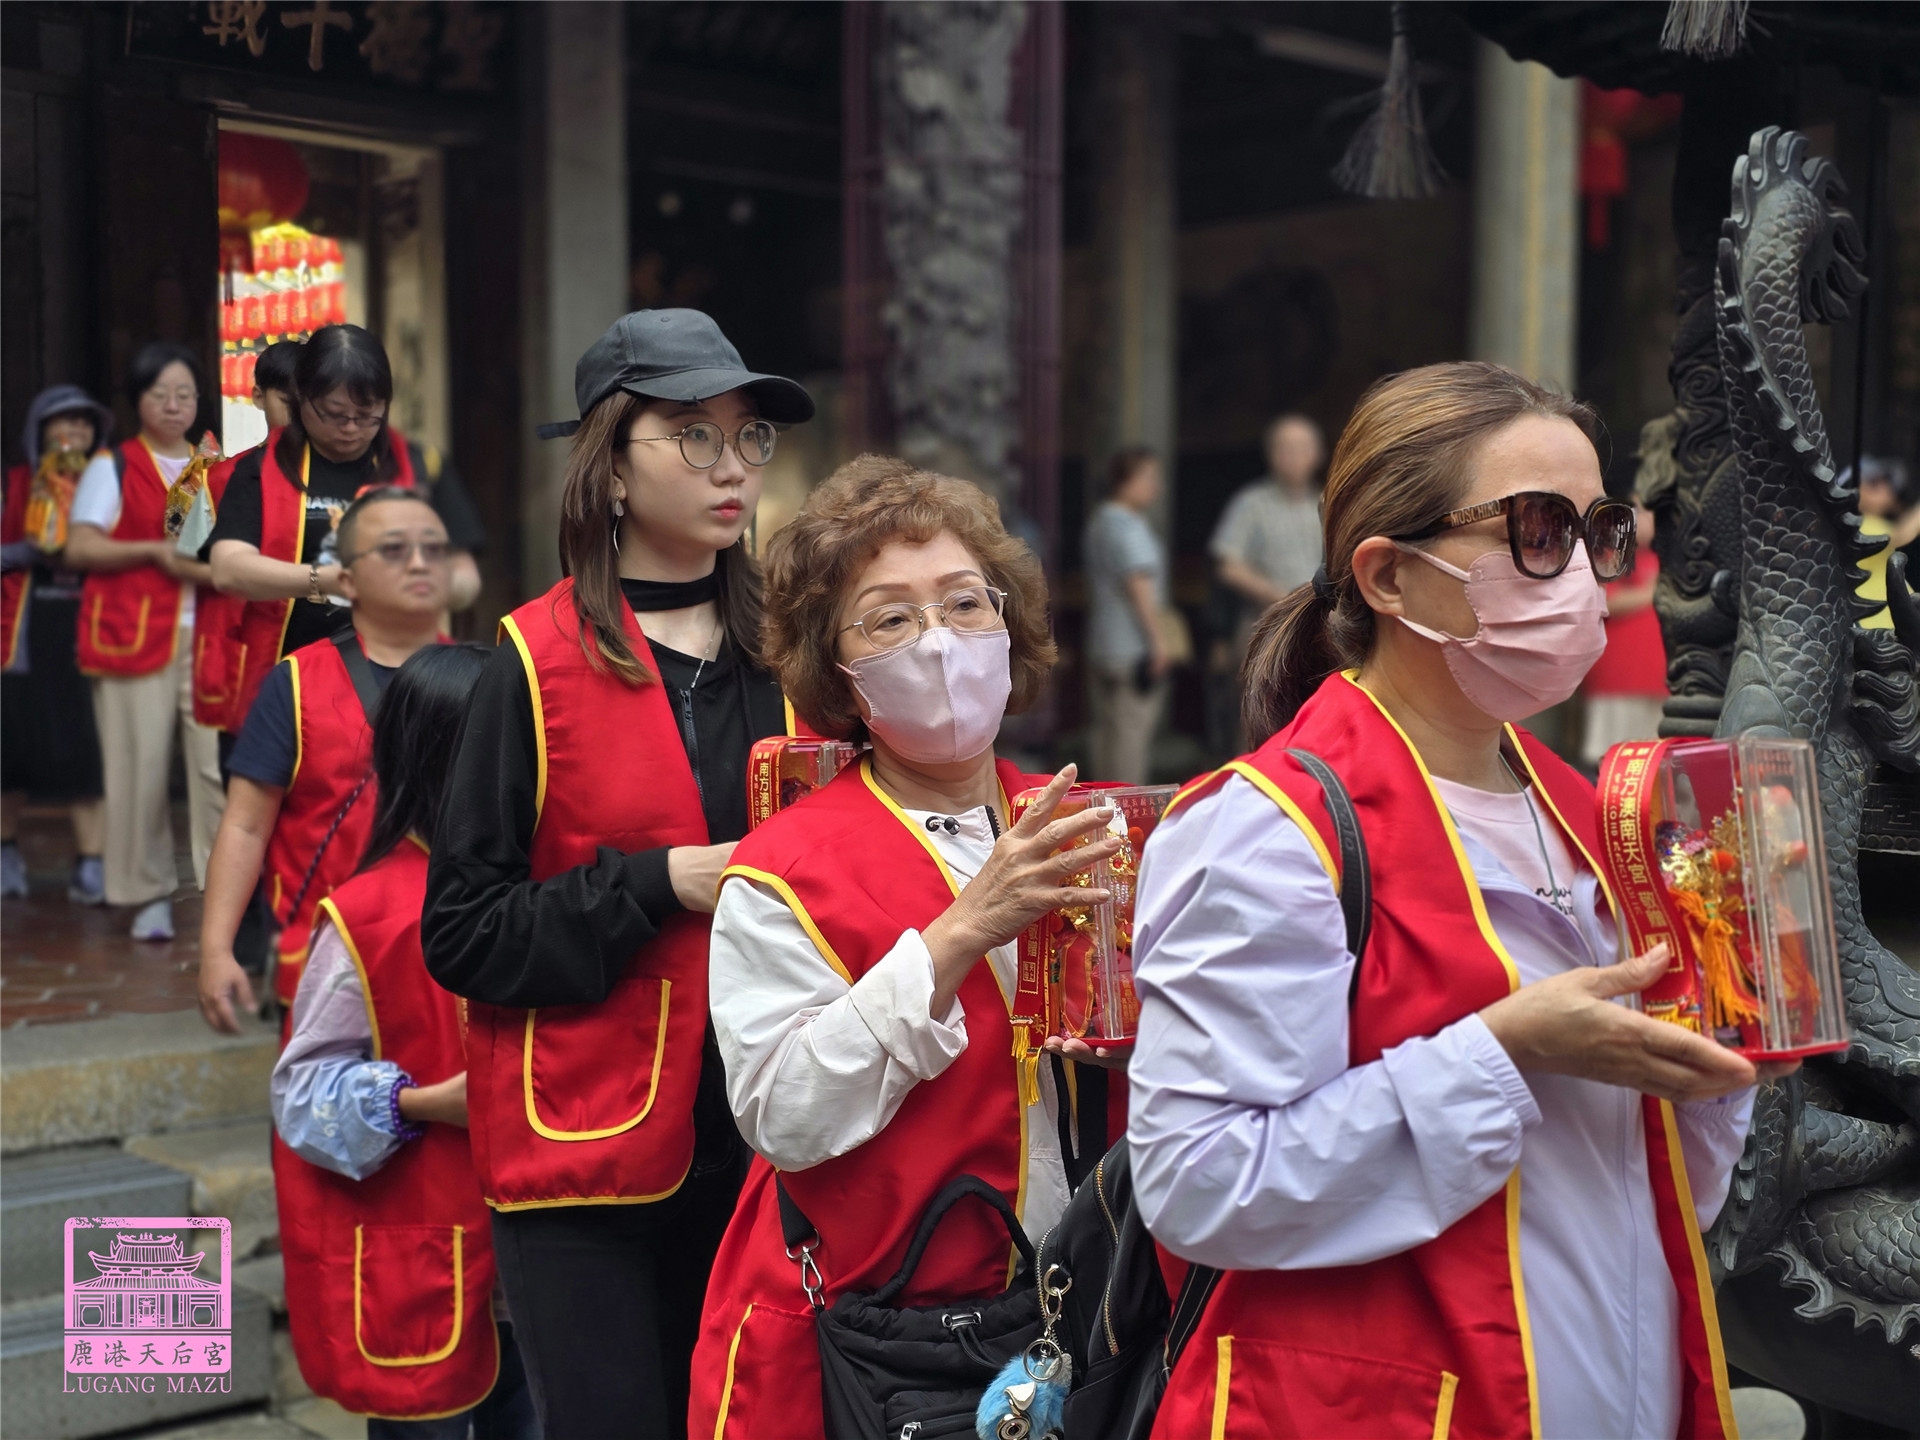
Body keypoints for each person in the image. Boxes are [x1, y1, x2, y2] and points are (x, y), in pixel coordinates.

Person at [1126, 363, 1791, 1440]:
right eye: (1537, 530)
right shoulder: (1269, 828)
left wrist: (1725, 1049)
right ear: (1389, 576)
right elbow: (1200, 1183)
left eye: (1598, 532)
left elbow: (1649, 1184)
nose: (1580, 575)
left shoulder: (1598, 816)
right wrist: (1504, 1051)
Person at [422, 309, 812, 1440]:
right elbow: (464, 929)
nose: (733, 465)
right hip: (582, 1150)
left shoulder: (792, 654)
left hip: (768, 1140)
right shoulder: (530, 659)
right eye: (695, 436)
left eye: (748, 437)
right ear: (612, 469)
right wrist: (657, 883)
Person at [688, 456, 1124, 1439]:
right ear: (835, 667)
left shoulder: (1087, 824)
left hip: (1064, 1319)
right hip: (871, 1337)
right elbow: (781, 1112)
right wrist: (964, 931)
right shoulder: (781, 869)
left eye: (966, 603)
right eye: (889, 619)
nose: (939, 641)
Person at [271, 643, 537, 1440]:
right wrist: (425, 1103)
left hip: (544, 1260)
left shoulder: (556, 887)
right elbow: (300, 1097)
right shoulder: (367, 915)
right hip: (427, 1265)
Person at [196, 487, 454, 1033]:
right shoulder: (296, 682)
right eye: (394, 549)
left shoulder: (492, 676)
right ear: (347, 579)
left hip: (453, 960)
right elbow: (245, 826)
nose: (419, 563)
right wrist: (216, 949)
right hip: (332, 968)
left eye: (434, 549)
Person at [201, 325, 485, 737]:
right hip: (285, 681)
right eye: (334, 414)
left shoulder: (419, 466)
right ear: (301, 398)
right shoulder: (261, 471)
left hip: (400, 684)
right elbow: (228, 569)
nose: (351, 428)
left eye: (367, 415)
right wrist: (327, 579)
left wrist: (416, 581)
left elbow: (465, 579)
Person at [64, 344, 225, 940]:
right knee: (140, 769)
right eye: (161, 395)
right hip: (133, 635)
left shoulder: (211, 464)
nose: (175, 405)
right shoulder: (113, 465)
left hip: (208, 634)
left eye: (185, 394)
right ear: (137, 401)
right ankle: (146, 894)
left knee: (215, 768)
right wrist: (152, 552)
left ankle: (222, 888)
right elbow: (80, 546)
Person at [1, 386, 114, 903]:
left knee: (86, 753)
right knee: (10, 751)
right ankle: (5, 853)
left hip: (89, 631)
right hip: (21, 633)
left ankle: (92, 863)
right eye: (63, 421)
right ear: (39, 430)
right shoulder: (12, 484)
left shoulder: (109, 482)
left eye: (85, 422)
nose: (75, 431)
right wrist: (32, 549)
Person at [1083, 445, 1170, 784]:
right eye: (1148, 477)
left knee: (1106, 730)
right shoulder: (1128, 526)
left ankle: (1099, 802)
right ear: (1124, 480)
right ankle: (1123, 805)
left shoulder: (1100, 521)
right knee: (1131, 734)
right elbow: (1138, 584)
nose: (1156, 486)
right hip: (1132, 646)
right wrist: (1158, 641)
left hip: (1103, 642)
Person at [1210, 412, 1327, 622]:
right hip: (1268, 619)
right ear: (1271, 453)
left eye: (1302, 447)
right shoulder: (1250, 503)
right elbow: (1228, 567)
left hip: (1323, 618)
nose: (1294, 456)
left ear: (1318, 453)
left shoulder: (1328, 503)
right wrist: (1282, 598)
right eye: (1286, 448)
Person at [1581, 497, 1666, 767]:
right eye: (1641, 510)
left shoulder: (1668, 559)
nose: (1648, 518)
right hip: (1619, 678)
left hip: (1662, 680)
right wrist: (1652, 592)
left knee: (1656, 760)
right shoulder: (1608, 554)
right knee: (1614, 760)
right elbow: (1602, 601)